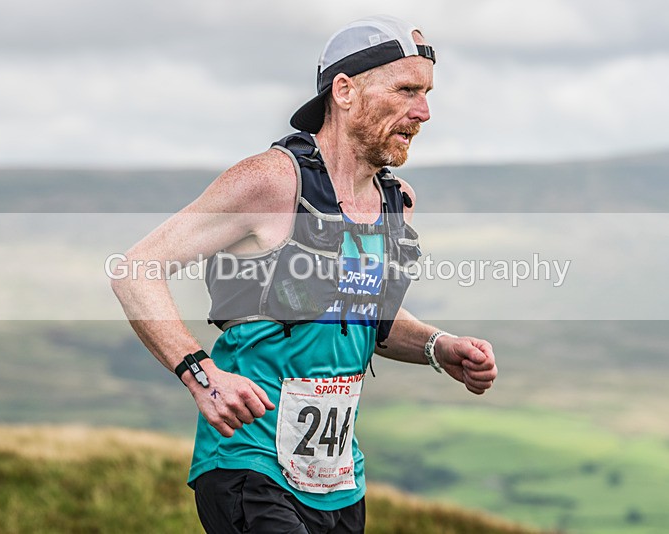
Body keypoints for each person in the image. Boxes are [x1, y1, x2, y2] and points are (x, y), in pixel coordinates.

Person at [111, 15, 497, 533]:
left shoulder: (392, 202)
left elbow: (367, 317)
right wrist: (203, 376)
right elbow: (135, 270)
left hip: (337, 481)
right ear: (345, 91)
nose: (423, 112)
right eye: (406, 90)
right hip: (249, 465)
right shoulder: (271, 181)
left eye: (427, 93)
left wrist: (438, 346)